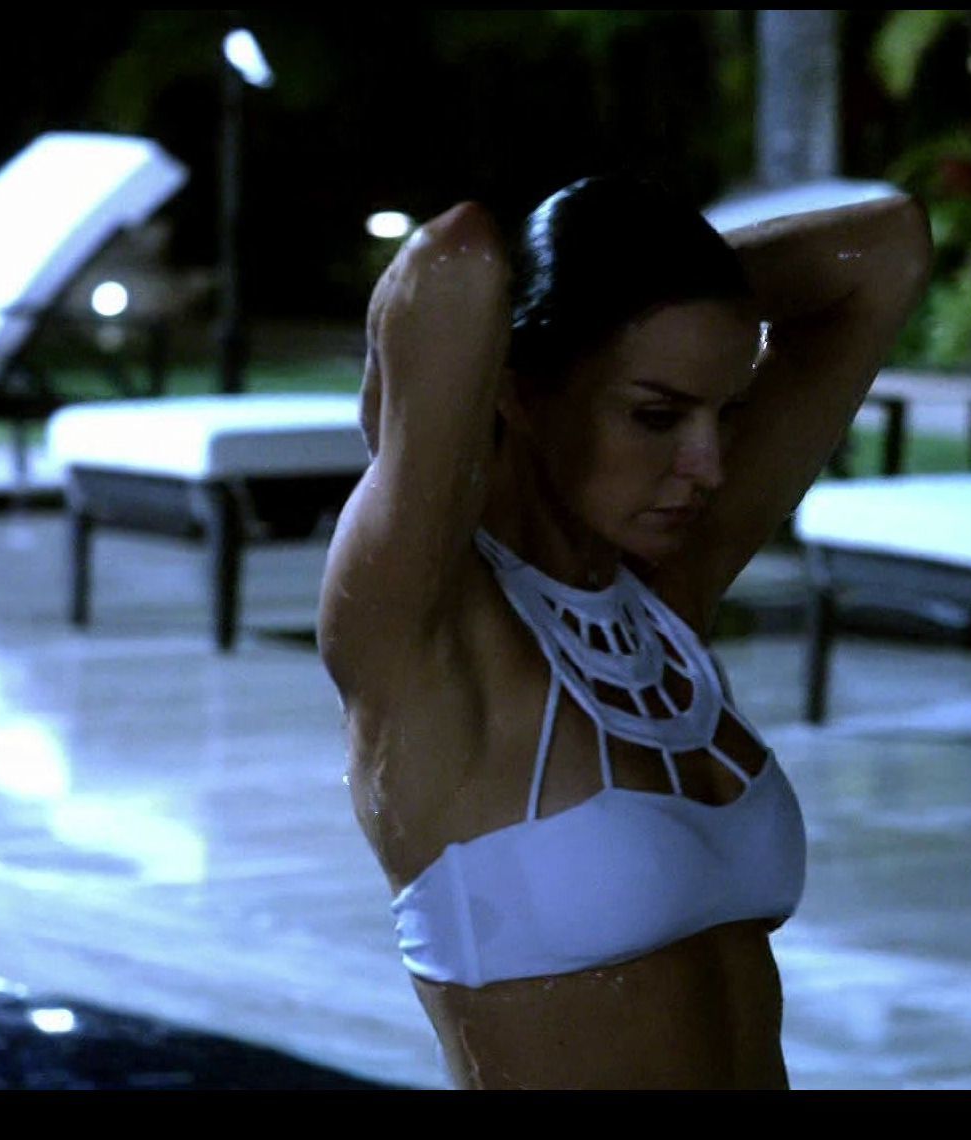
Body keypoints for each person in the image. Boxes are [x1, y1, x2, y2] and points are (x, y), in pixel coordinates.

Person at [318, 173, 931, 1089]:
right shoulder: (427, 629)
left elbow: (887, 248)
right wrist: (584, 308)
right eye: (656, 416)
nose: (709, 466)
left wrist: (658, 308)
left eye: (725, 412)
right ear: (518, 388)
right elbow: (456, 264)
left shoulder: (660, 598)